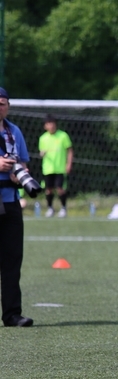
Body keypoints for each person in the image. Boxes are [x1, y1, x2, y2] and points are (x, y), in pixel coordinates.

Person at [0, 87, 33, 326]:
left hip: (10, 201)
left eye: (3, 103)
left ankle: (12, 314)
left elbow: (23, 163)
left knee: (12, 259)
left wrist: (20, 174)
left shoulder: (15, 131)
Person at [38, 114, 73, 218]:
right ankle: (50, 208)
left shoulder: (63, 136)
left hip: (60, 168)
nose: (51, 126)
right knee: (48, 189)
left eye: (52, 123)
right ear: (45, 126)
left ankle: (63, 208)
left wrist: (69, 163)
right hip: (48, 168)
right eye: (48, 124)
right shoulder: (43, 138)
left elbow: (70, 150)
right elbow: (41, 152)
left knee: (60, 188)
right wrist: (42, 154)